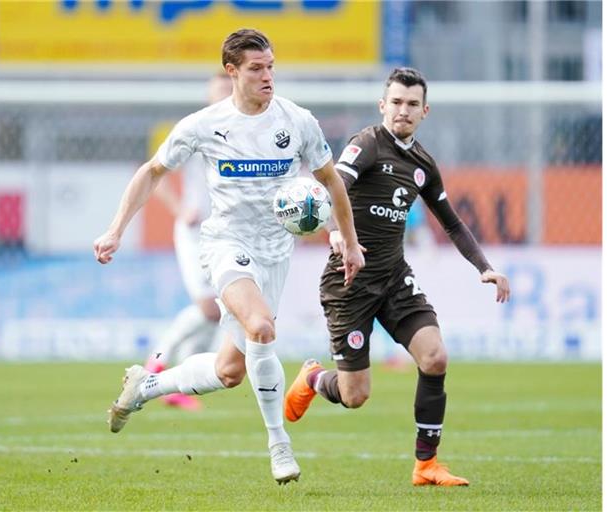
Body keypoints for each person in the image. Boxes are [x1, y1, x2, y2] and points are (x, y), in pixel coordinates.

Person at [93, 28, 365, 485]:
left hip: (276, 251)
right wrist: (116, 228)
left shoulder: (297, 122)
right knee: (261, 327)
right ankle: (279, 444)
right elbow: (151, 171)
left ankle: (147, 385)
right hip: (225, 244)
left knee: (230, 369)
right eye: (256, 68)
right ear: (232, 71)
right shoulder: (203, 124)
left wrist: (346, 237)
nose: (267, 76)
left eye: (271, 67)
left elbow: (332, 181)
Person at [283, 67, 510, 487]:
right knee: (355, 396)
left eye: (411, 104)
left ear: (424, 111)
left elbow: (453, 223)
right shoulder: (365, 144)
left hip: (393, 278)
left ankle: (426, 465)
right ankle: (314, 378)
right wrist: (335, 233)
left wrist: (486, 268)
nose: (402, 111)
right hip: (349, 281)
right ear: (382, 105)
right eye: (396, 102)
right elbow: (335, 187)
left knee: (435, 357)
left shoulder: (422, 164)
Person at [143, 72, 234, 411]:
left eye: (229, 90)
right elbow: (157, 174)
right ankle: (155, 363)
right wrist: (180, 208)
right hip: (196, 232)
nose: (224, 96)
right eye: (219, 91)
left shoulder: (246, 132)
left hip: (229, 233)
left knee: (223, 311)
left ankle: (176, 385)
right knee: (209, 309)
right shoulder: (196, 129)